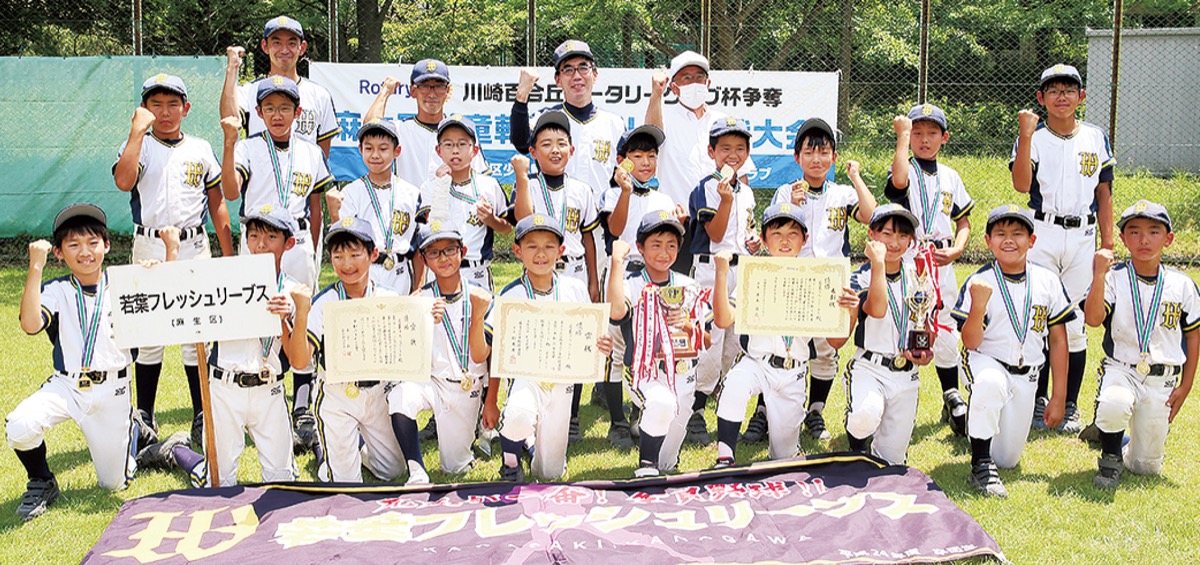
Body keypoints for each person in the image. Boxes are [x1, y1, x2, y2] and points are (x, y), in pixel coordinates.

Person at [137, 205, 311, 488]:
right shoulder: (224, 279)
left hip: (270, 389)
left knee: (282, 482)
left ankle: (178, 450)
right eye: (253, 236)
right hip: (224, 388)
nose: (261, 244)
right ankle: (177, 451)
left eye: (271, 237)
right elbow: (176, 299)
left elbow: (298, 360)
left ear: (289, 243)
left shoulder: (292, 291)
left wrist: (284, 319)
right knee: (218, 482)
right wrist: (157, 271)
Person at [112, 74, 234, 448]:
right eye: (156, 104)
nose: (165, 112)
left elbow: (217, 201)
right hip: (149, 244)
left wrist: (228, 254)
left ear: (186, 108)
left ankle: (202, 413)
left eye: (172, 104)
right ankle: (145, 416)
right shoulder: (140, 145)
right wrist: (136, 132)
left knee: (196, 333)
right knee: (148, 333)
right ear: (144, 108)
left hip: (194, 244)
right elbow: (123, 181)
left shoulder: (200, 148)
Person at [221, 76, 332, 452]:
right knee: (256, 317)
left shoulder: (311, 152)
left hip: (297, 241)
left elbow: (316, 204)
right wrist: (229, 144)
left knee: (301, 319)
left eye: (285, 108)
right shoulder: (249, 147)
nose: (277, 115)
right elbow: (231, 191)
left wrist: (313, 246)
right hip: (257, 240)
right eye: (269, 108)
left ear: (298, 112)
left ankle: (302, 404)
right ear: (259, 112)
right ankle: (259, 392)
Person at [7, 204, 137, 520]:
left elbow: (166, 311)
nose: (85, 252)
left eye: (93, 242)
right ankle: (42, 481)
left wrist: (157, 267)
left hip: (114, 390)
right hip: (69, 386)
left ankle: (136, 433)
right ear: (59, 253)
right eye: (74, 245)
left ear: (107, 245)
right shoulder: (57, 290)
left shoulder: (125, 283)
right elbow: (30, 324)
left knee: (113, 485)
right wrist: (35, 266)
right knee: (20, 424)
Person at [709, 202, 859, 466]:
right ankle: (725, 457)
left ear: (805, 239)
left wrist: (852, 311)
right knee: (735, 383)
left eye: (793, 234)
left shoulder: (818, 278)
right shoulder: (754, 274)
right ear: (764, 239)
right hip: (757, 363)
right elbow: (723, 319)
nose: (785, 240)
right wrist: (721, 274)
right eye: (776, 233)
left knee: (783, 457)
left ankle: (785, 448)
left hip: (794, 372)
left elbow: (836, 342)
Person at [1011, 64, 1115, 434]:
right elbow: (1021, 185)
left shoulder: (1095, 137)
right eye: (1053, 90)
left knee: (1074, 325)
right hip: (1043, 230)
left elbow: (1104, 191)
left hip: (1083, 235)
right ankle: (1038, 400)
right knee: (1039, 316)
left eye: (1069, 89)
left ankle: (1069, 404)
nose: (1061, 96)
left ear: (1081, 96)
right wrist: (1025, 135)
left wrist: (1108, 242)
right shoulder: (1034, 137)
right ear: (1041, 98)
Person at [762, 117, 875, 445]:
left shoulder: (842, 194)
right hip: (793, 280)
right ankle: (763, 411)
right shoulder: (786, 191)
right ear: (797, 158)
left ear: (834, 157)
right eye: (809, 152)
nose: (816, 159)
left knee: (824, 351)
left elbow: (871, 215)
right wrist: (792, 206)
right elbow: (775, 234)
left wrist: (856, 177)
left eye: (824, 152)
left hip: (830, 283)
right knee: (781, 346)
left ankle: (815, 410)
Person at [952, 205, 1074, 497]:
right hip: (985, 360)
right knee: (990, 385)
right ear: (988, 241)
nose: (1009, 240)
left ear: (1032, 241)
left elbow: (1058, 340)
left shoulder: (1047, 281)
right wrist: (978, 305)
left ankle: (970, 422)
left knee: (1007, 459)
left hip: (1026, 374)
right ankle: (980, 465)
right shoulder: (980, 281)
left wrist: (1059, 397)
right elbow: (970, 342)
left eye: (1018, 233)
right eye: (1000, 233)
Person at [488, 215, 612, 482]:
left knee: (550, 473)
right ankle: (510, 463)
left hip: (562, 382)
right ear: (517, 251)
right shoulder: (510, 296)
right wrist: (491, 400)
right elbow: (496, 351)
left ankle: (530, 445)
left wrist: (600, 345)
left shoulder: (574, 289)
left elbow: (587, 336)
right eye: (532, 246)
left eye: (549, 246)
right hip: (526, 378)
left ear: (561, 251)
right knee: (518, 415)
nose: (541, 254)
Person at [1083, 200, 1198, 489]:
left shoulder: (1182, 285)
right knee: (1115, 402)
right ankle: (1110, 457)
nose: (1144, 239)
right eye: (1134, 232)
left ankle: (1115, 437)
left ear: (1168, 239)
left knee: (1146, 467)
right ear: (1123, 238)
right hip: (1122, 368)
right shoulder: (1114, 277)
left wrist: (1186, 385)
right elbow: (1093, 319)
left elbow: (1193, 335)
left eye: (1154, 232)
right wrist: (1098, 275)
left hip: (1162, 378)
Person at [887, 104, 975, 436]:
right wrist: (902, 138)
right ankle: (898, 390)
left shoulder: (951, 176)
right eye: (918, 133)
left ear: (944, 137)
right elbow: (898, 181)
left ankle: (951, 393)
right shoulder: (905, 167)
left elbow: (963, 221)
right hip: (911, 256)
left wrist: (958, 249)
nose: (924, 140)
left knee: (945, 322)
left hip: (941, 258)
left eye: (932, 133)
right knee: (908, 320)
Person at [303, 218, 406, 483]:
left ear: (373, 254)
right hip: (338, 394)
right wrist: (300, 314)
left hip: (377, 393)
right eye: (338, 256)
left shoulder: (389, 299)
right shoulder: (323, 302)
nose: (347, 264)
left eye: (354, 254)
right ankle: (327, 451)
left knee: (393, 471)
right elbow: (301, 359)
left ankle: (353, 447)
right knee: (346, 482)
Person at [608, 211, 712, 476]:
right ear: (640, 247)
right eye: (656, 244)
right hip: (646, 372)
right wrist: (617, 261)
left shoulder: (689, 286)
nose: (664, 252)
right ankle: (646, 467)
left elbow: (707, 340)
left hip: (683, 374)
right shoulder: (632, 284)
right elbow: (617, 312)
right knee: (661, 403)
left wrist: (686, 324)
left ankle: (654, 448)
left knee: (668, 462)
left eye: (671, 245)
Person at [388, 224, 493, 484]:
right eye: (433, 253)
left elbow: (483, 356)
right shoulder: (420, 299)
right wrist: (422, 319)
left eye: (449, 250)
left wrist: (478, 315)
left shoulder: (482, 296)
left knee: (455, 467)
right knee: (401, 395)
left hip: (468, 387)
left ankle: (468, 445)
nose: (443, 258)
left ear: (463, 251)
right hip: (432, 382)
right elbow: (404, 354)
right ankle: (416, 469)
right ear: (423, 259)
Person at [596, 124, 680, 447]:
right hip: (620, 273)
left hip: (652, 279)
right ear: (622, 160)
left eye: (651, 156)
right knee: (616, 349)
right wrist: (625, 192)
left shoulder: (664, 198)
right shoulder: (612, 194)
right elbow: (615, 229)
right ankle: (617, 421)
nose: (645, 162)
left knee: (645, 346)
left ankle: (638, 413)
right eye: (637, 156)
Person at [645, 50, 756, 272]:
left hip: (722, 226)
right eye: (686, 78)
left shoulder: (723, 122)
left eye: (699, 77)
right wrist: (656, 95)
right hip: (678, 223)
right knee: (676, 289)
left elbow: (741, 177)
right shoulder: (664, 118)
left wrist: (748, 228)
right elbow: (651, 133)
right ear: (674, 86)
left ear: (708, 83)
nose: (694, 83)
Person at [684, 117, 759, 445]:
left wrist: (754, 240)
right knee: (710, 340)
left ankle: (719, 400)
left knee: (734, 342)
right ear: (711, 152)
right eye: (725, 148)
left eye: (740, 148)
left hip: (740, 270)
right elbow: (714, 234)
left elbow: (746, 231)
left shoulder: (747, 191)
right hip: (711, 270)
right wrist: (725, 199)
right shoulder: (707, 187)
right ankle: (695, 409)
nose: (732, 154)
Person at [845, 205, 932, 464]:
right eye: (887, 234)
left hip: (906, 373)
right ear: (872, 234)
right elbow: (878, 309)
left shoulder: (919, 276)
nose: (894, 242)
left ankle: (878, 449)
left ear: (911, 240)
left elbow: (925, 322)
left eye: (903, 235)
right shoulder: (860, 277)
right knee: (865, 415)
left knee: (892, 462)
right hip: (870, 367)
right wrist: (878, 263)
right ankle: (857, 450)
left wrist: (924, 350)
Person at [327, 118, 424, 295]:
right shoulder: (351, 192)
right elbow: (343, 241)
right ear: (360, 150)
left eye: (383, 149)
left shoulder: (411, 193)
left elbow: (418, 248)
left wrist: (418, 288)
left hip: (400, 272)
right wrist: (334, 215)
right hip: (366, 272)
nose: (375, 155)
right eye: (369, 148)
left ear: (397, 151)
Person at [221, 16, 341, 156]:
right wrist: (232, 69)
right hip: (259, 169)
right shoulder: (249, 91)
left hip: (302, 170)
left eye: (291, 43)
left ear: (302, 47)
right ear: (265, 46)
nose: (284, 50)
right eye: (277, 43)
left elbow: (322, 155)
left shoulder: (319, 95)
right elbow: (230, 120)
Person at [420, 115, 513, 292]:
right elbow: (431, 226)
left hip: (476, 271)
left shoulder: (489, 185)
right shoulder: (430, 187)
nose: (455, 151)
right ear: (438, 150)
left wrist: (491, 219)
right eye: (448, 144)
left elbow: (507, 228)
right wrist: (441, 186)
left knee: (482, 311)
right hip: (439, 270)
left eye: (462, 144)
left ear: (475, 150)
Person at [363, 59, 490, 188]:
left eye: (439, 86)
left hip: (451, 200)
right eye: (424, 86)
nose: (432, 94)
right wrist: (385, 92)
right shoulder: (401, 130)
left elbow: (480, 180)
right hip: (410, 201)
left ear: (447, 91)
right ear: (413, 91)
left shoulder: (463, 131)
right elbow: (370, 129)